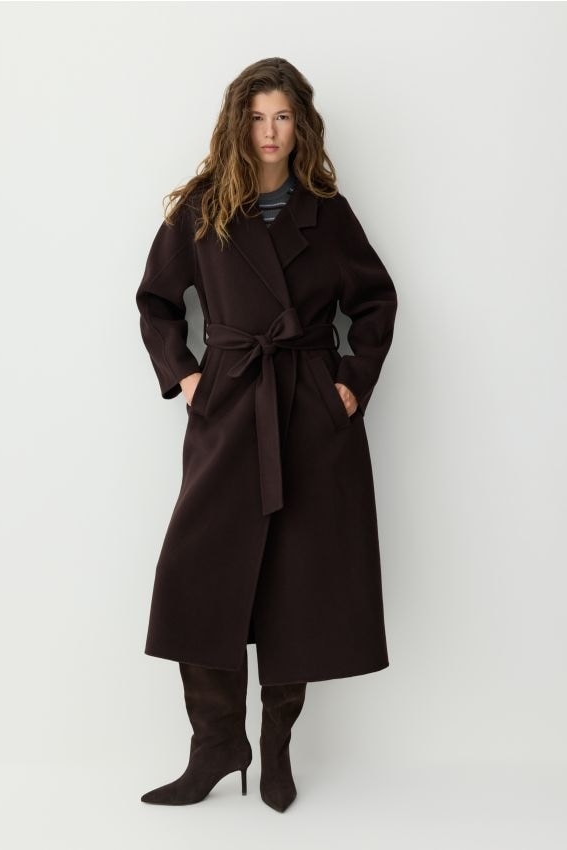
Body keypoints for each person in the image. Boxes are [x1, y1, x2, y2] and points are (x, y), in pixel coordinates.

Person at [135, 57, 398, 812]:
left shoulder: (327, 212)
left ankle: (276, 744)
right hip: (229, 404)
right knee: (196, 573)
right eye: (256, 118)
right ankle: (216, 743)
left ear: (300, 124)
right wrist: (187, 375)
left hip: (308, 413)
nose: (269, 132)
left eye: (282, 116)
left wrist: (349, 384)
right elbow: (155, 300)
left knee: (298, 581)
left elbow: (375, 302)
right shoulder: (202, 207)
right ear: (236, 124)